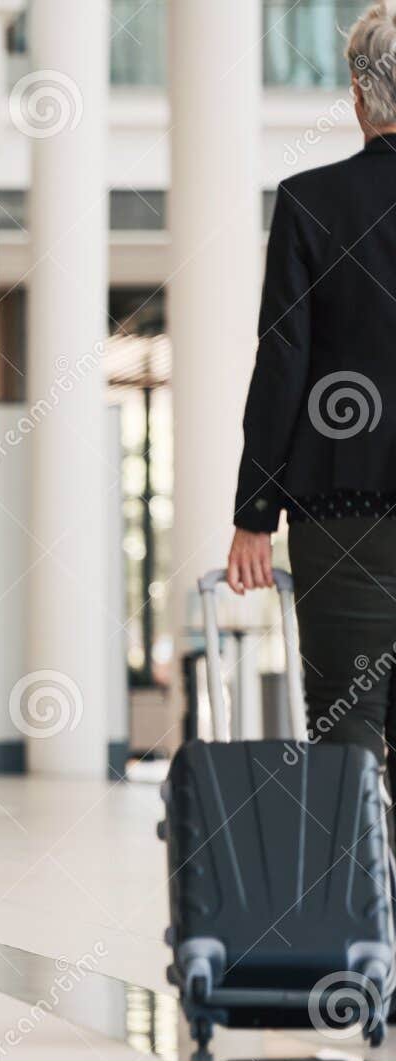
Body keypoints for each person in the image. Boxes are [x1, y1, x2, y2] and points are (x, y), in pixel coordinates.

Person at [228, 3, 396, 784]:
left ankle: (361, 904)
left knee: (348, 720)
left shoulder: (310, 203)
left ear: (359, 97)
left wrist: (254, 514)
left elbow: (283, 364)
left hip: (341, 510)